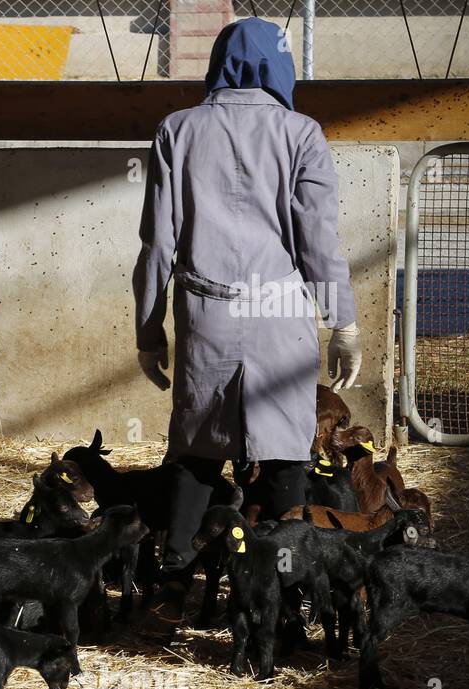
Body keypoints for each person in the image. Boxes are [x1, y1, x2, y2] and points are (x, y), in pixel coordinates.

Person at [132, 17, 362, 633]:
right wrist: (342, 321)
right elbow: (318, 240)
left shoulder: (177, 131)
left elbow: (158, 241)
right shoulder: (302, 134)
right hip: (278, 311)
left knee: (195, 453)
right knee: (286, 458)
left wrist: (148, 325)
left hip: (205, 312)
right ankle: (285, 606)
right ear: (279, 67)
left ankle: (171, 588)